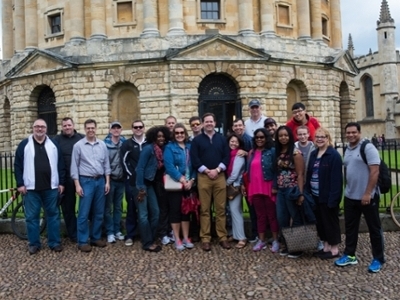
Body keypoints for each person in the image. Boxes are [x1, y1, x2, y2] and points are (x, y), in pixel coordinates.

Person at [335, 122, 385, 273]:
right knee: (351, 228)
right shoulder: (348, 149)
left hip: (367, 197)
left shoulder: (368, 147)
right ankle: (350, 254)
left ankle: (378, 258)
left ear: (359, 132)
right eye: (348, 133)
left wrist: (368, 193)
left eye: (353, 132)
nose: (350, 135)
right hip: (351, 196)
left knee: (374, 228)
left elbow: (375, 171)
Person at [14, 119, 66, 254]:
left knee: (53, 215)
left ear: (46, 129)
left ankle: (54, 242)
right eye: (37, 126)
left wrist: (61, 182)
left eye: (42, 127)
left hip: (51, 187)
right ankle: (34, 243)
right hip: (31, 189)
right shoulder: (24, 144)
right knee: (32, 217)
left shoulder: (53, 144)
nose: (40, 129)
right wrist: (20, 184)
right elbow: (18, 165)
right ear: (33, 128)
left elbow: (61, 164)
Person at [190, 113, 231, 251]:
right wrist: (207, 171)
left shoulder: (222, 139)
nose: (209, 124)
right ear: (203, 123)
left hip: (219, 176)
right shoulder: (197, 141)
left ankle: (222, 237)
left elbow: (227, 157)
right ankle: (205, 238)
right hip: (204, 177)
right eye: (206, 121)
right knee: (205, 210)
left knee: (220, 209)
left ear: (215, 123)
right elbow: (194, 159)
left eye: (211, 121)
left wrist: (218, 170)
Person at [71, 119, 111, 253]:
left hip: (100, 181)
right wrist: (77, 185)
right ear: (84, 129)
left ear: (96, 128)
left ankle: (95, 237)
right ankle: (82, 241)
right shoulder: (78, 146)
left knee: (99, 212)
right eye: (88, 128)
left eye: (92, 128)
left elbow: (106, 164)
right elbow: (74, 167)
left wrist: (107, 182)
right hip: (86, 181)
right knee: (84, 212)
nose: (90, 130)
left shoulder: (102, 145)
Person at [306, 127, 343, 259]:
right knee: (321, 223)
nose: (320, 139)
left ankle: (334, 249)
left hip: (327, 196)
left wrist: (333, 199)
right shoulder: (314, 153)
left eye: (323, 137)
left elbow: (336, 180)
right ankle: (326, 246)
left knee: (330, 222)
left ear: (328, 138)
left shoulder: (333, 155)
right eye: (317, 137)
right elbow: (310, 173)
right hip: (316, 195)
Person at [242, 128, 279, 252]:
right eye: (257, 137)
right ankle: (261, 240)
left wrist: (275, 185)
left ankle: (275, 240)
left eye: (262, 137)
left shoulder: (272, 151)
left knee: (272, 215)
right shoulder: (251, 152)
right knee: (260, 215)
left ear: (266, 138)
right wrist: (244, 184)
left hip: (268, 186)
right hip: (254, 187)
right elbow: (247, 171)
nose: (259, 139)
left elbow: (276, 170)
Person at [136, 126, 171, 252]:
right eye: (158, 136)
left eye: (163, 136)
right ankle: (147, 243)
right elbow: (139, 168)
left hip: (151, 185)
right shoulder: (148, 149)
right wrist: (141, 188)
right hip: (142, 186)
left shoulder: (163, 150)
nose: (161, 138)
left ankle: (150, 237)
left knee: (155, 213)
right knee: (144, 215)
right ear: (153, 137)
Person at [275, 125, 308, 258]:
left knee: (295, 217)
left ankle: (297, 247)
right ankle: (287, 244)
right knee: (282, 218)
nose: (283, 138)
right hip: (281, 190)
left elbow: (300, 174)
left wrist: (300, 193)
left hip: (292, 189)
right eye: (280, 135)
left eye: (286, 135)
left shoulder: (296, 153)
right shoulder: (278, 152)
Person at [164, 123, 196, 251]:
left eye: (182, 132)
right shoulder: (169, 147)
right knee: (175, 211)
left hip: (189, 184)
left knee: (186, 212)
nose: (179, 135)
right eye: (177, 133)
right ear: (173, 134)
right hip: (176, 184)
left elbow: (195, 165)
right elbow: (169, 166)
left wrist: (192, 180)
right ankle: (177, 238)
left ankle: (186, 237)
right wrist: (182, 179)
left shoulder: (190, 146)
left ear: (185, 134)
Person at [53, 117, 84, 242]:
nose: (67, 127)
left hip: (82, 178)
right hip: (65, 179)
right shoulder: (56, 140)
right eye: (65, 125)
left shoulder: (81, 138)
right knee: (68, 208)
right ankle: (73, 234)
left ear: (73, 125)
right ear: (62, 127)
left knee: (87, 207)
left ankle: (88, 231)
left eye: (69, 125)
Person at [120, 120, 148, 246]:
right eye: (135, 127)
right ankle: (130, 234)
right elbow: (124, 162)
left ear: (143, 128)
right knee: (132, 208)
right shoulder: (127, 144)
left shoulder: (149, 143)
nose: (138, 129)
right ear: (132, 129)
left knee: (147, 209)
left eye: (140, 127)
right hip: (132, 182)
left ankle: (146, 234)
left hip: (147, 181)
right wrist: (132, 175)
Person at [231, 118, 258, 242]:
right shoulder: (233, 141)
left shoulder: (249, 140)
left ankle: (255, 233)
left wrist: (247, 153)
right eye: (235, 126)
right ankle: (237, 232)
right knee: (236, 208)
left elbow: (253, 157)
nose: (238, 128)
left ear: (244, 127)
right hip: (238, 180)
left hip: (247, 179)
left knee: (251, 206)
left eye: (240, 125)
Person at [104, 121, 126, 243]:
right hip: (110, 179)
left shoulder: (125, 143)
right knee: (108, 208)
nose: (116, 130)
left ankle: (117, 230)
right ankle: (110, 231)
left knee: (118, 207)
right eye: (114, 128)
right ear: (110, 130)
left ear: (121, 129)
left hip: (121, 179)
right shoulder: (104, 144)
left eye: (118, 127)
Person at [226, 133, 247, 249]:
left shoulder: (238, 156)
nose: (233, 143)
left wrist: (225, 184)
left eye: (236, 142)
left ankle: (242, 237)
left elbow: (234, 175)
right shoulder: (230, 155)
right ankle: (235, 234)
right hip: (232, 185)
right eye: (232, 141)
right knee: (233, 211)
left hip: (235, 186)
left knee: (235, 211)